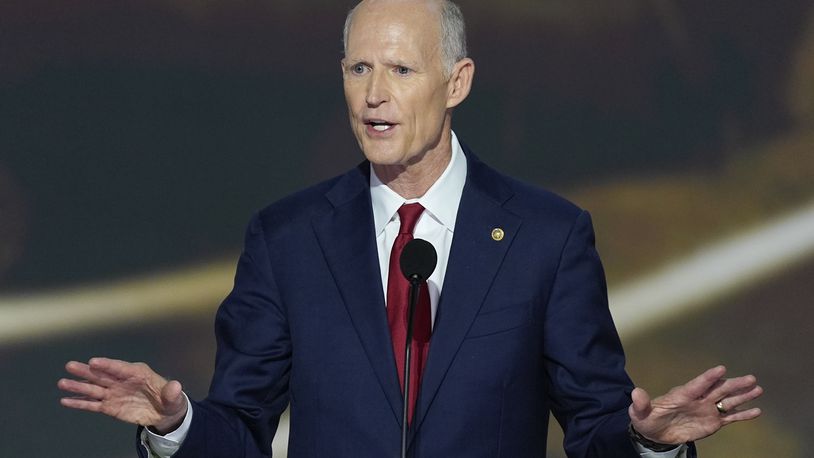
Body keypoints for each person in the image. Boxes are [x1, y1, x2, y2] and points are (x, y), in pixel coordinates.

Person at [58, 1, 763, 457]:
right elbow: (243, 430)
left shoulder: (547, 237)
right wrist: (177, 426)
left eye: (400, 69)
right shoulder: (288, 238)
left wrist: (649, 445)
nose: (374, 95)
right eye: (358, 68)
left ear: (456, 83)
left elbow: (595, 426)